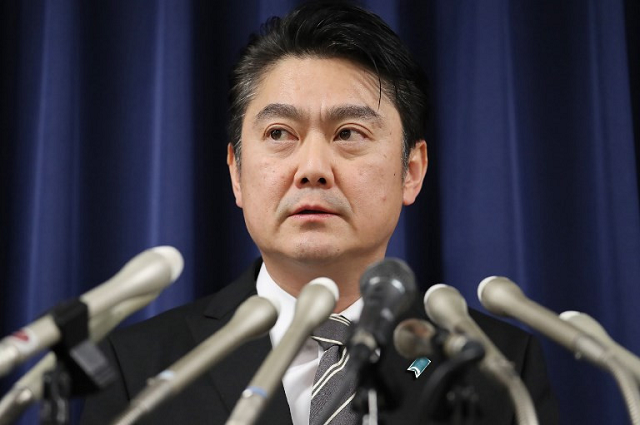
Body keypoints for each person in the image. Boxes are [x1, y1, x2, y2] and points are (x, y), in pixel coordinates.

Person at [81, 2, 558, 424]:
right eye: (279, 134)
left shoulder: (497, 368)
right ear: (236, 174)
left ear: (411, 171)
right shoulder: (137, 373)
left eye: (349, 133)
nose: (312, 169)